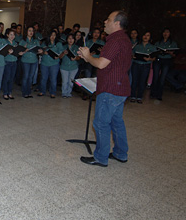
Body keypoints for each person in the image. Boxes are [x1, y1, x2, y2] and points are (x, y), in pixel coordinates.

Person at [78, 10, 131, 167]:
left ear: (117, 23)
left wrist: (88, 57)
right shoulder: (125, 40)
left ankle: (100, 157)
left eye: (108, 20)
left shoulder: (115, 41)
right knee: (116, 123)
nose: (105, 22)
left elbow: (101, 63)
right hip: (120, 88)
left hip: (110, 89)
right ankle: (120, 153)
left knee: (101, 123)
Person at [151, 28, 178, 100]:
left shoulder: (173, 43)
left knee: (162, 78)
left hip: (167, 60)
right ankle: (153, 93)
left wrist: (171, 53)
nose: (165, 34)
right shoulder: (158, 42)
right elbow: (153, 52)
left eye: (167, 32)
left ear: (170, 34)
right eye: (164, 32)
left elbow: (175, 54)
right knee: (155, 76)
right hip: (158, 59)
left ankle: (159, 95)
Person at [130, 31, 156, 103]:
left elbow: (154, 58)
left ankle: (139, 97)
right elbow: (132, 54)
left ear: (150, 37)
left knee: (142, 81)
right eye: (144, 35)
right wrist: (133, 56)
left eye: (148, 35)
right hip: (136, 64)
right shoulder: (137, 45)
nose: (145, 37)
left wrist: (149, 59)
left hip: (146, 65)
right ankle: (132, 96)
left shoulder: (152, 47)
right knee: (134, 81)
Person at [38, 30, 63, 98]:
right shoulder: (45, 43)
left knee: (53, 79)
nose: (52, 37)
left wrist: (58, 56)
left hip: (54, 63)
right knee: (43, 78)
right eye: (51, 35)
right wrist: (43, 52)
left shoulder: (58, 44)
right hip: (44, 63)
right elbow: (40, 51)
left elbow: (61, 53)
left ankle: (53, 92)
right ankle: (42, 91)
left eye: (54, 35)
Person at [19, 26, 40, 98]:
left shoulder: (36, 41)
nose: (31, 32)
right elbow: (19, 51)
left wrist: (40, 51)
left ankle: (29, 92)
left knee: (31, 77)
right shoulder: (23, 41)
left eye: (32, 31)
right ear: (26, 32)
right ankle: (24, 92)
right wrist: (24, 50)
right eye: (29, 30)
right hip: (25, 60)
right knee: (26, 76)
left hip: (34, 60)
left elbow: (38, 50)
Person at [60, 34, 81, 98]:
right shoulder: (63, 47)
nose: (70, 40)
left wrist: (75, 58)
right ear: (67, 39)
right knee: (64, 81)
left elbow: (79, 57)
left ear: (74, 40)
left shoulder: (76, 47)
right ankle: (64, 93)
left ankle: (68, 93)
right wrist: (63, 53)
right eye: (69, 38)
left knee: (70, 82)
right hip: (64, 67)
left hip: (73, 67)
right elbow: (59, 57)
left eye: (72, 38)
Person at [2, 29, 17, 100]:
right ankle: (5, 92)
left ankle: (10, 92)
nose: (12, 36)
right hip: (7, 61)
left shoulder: (15, 43)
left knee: (12, 78)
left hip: (14, 61)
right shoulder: (5, 42)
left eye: (13, 35)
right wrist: (8, 52)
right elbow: (3, 53)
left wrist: (19, 53)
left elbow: (17, 52)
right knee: (6, 78)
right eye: (11, 34)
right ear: (7, 35)